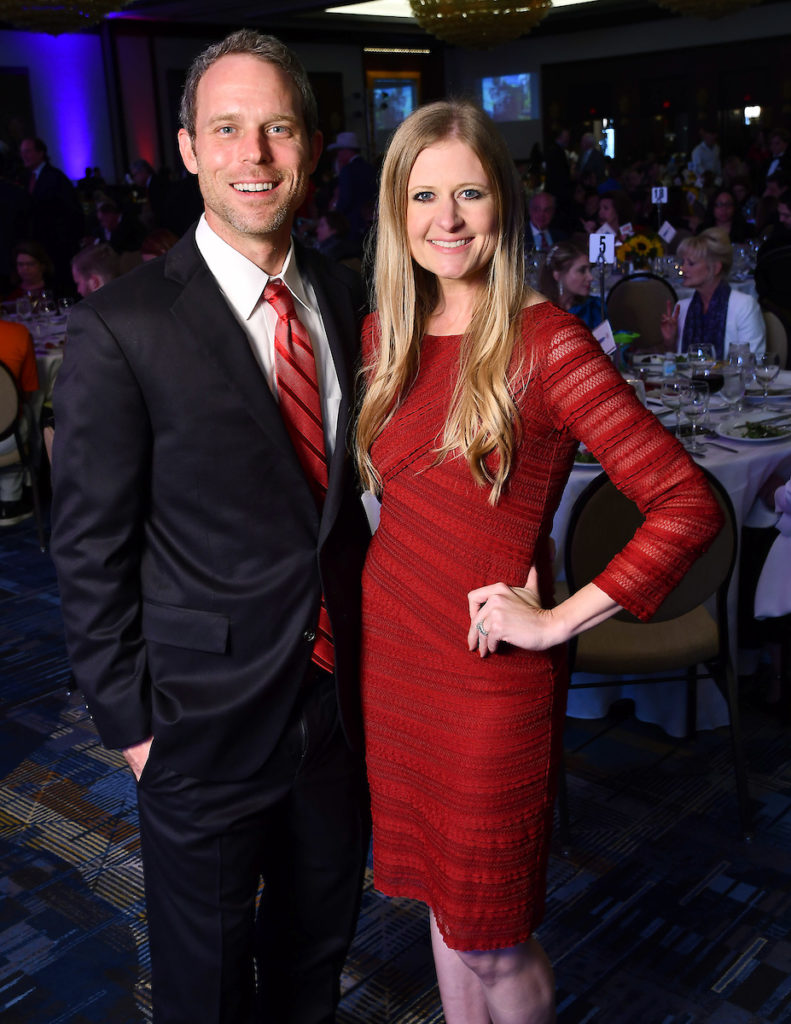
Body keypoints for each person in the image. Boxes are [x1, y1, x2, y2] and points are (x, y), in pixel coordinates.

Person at [354, 99, 723, 1024]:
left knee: (491, 936)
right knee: (443, 910)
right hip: (395, 655)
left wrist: (557, 620)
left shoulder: (545, 341)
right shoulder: (383, 335)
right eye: (424, 194)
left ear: (503, 205)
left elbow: (684, 505)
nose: (446, 219)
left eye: (468, 193)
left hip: (491, 670)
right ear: (397, 211)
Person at [50, 29, 370, 1024]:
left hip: (336, 704)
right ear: (187, 147)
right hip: (197, 723)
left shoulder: (348, 293)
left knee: (316, 947)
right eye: (227, 129)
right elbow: (89, 548)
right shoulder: (125, 324)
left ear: (310, 145)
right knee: (208, 978)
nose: (255, 155)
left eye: (277, 128)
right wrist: (132, 730)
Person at [660, 227, 766, 359]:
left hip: (731, 379)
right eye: (683, 262)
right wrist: (670, 343)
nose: (683, 268)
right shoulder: (682, 308)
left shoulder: (744, 306)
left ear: (715, 268)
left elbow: (753, 363)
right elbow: (676, 367)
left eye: (691, 263)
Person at [19, 136, 83, 291]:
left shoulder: (55, 177)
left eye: (28, 151)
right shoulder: (25, 178)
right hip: (39, 249)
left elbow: (71, 211)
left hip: (57, 247)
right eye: (22, 152)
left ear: (41, 153)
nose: (24, 156)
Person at [0, 315, 39, 524]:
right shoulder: (19, 333)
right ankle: (11, 499)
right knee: (26, 413)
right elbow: (28, 393)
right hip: (6, 438)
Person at [539, 241, 602, 329]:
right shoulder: (540, 313)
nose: (590, 277)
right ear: (558, 275)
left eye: (589, 270)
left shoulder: (592, 307)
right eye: (582, 271)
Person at [327, 130, 376, 245]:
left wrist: (336, 217)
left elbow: (346, 199)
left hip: (351, 224)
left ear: (346, 151)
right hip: (370, 223)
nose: (338, 155)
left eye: (339, 151)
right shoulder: (369, 168)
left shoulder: (347, 170)